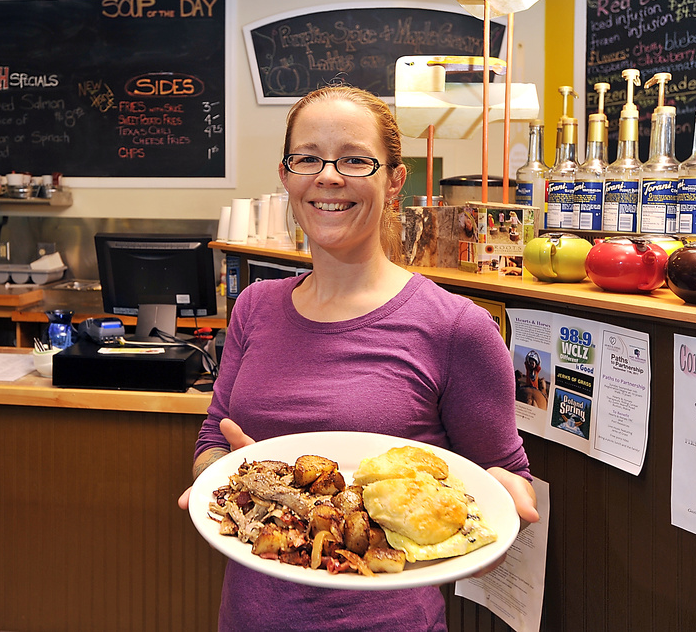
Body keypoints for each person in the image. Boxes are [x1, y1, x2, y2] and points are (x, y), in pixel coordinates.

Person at [178, 84, 539, 631]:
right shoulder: (255, 307)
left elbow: (501, 477)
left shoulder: (455, 326)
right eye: (308, 158)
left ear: (395, 179)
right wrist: (231, 480)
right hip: (248, 618)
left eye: (354, 159)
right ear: (285, 174)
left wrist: (509, 493)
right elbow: (212, 441)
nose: (328, 176)